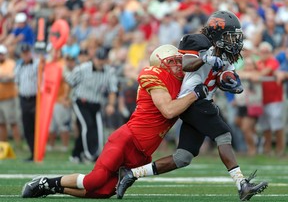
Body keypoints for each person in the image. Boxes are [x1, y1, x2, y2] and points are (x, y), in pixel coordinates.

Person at [116, 11, 268, 201]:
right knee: (223, 135)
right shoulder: (198, 41)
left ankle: (130, 174)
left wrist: (229, 80)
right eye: (229, 36)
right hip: (192, 100)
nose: (233, 41)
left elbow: (223, 75)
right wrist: (206, 58)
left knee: (182, 158)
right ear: (217, 33)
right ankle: (241, 184)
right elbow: (187, 63)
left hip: (202, 101)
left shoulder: (226, 54)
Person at [21, 44, 208, 198]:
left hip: (143, 152)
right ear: (159, 65)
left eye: (178, 61)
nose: (177, 65)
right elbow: (168, 110)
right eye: (171, 62)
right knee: (93, 181)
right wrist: (194, 95)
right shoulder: (155, 76)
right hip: (127, 139)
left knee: (103, 193)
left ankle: (51, 187)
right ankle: (46, 181)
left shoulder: (183, 81)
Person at [65, 47, 118, 163]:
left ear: (106, 60)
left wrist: (111, 105)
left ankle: (78, 154)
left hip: (97, 104)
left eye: (102, 59)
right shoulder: (83, 68)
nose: (100, 62)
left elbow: (112, 90)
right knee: (87, 126)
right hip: (81, 102)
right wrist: (66, 98)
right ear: (94, 58)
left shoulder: (109, 72)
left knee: (97, 129)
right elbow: (70, 82)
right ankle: (90, 154)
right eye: (98, 59)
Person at [14, 43, 40, 161]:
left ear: (30, 53)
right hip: (24, 99)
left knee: (36, 126)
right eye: (24, 53)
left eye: (27, 53)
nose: (26, 55)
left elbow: (43, 65)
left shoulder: (36, 64)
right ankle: (32, 153)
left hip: (35, 99)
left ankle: (38, 152)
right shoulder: (19, 67)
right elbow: (17, 82)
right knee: (27, 127)